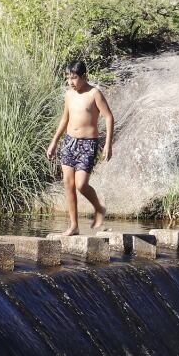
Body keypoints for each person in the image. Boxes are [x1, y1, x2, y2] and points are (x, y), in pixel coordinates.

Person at [45, 60, 114, 236]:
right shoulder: (69, 94)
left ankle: (99, 208)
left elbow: (108, 117)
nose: (70, 82)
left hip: (88, 144)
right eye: (68, 78)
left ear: (84, 77)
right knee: (68, 184)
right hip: (69, 142)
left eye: (74, 78)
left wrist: (108, 144)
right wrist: (54, 141)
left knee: (81, 185)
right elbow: (64, 119)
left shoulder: (94, 94)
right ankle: (74, 225)